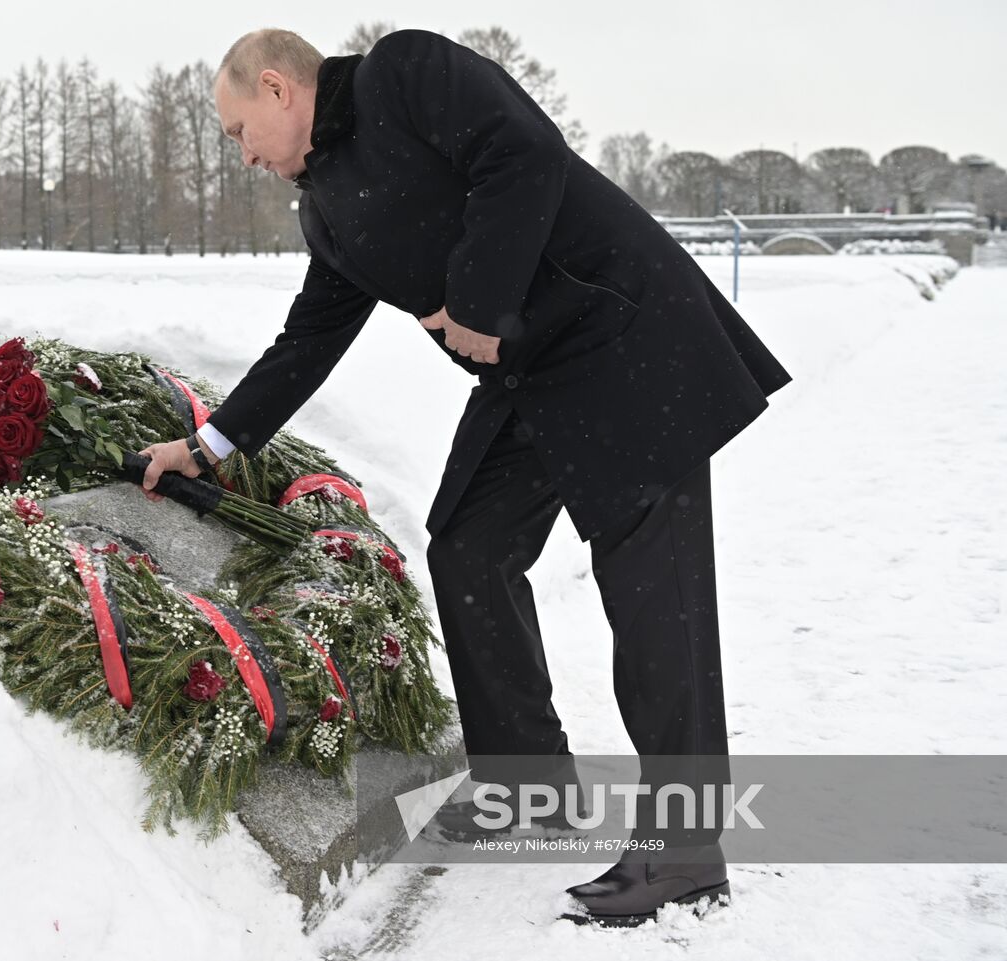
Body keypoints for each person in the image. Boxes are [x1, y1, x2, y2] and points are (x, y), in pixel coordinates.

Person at [137, 27, 792, 926]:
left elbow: (522, 152)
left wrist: (478, 302)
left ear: (280, 89)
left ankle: (686, 850)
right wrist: (208, 445)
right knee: (469, 546)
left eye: (237, 128)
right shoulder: (325, 207)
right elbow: (310, 337)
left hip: (625, 336)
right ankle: (533, 788)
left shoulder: (406, 73)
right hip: (535, 377)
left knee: (654, 595)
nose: (241, 152)